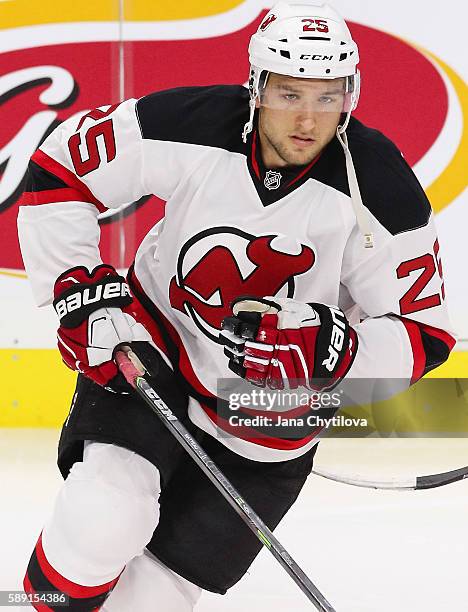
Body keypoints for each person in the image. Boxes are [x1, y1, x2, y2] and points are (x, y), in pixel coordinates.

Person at [18, 2, 455, 610]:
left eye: (327, 97)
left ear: (349, 96)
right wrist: (76, 286)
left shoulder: (380, 189)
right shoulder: (189, 123)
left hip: (268, 417)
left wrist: (337, 348)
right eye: (288, 93)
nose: (307, 118)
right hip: (153, 352)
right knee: (103, 518)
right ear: (256, 86)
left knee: (150, 604)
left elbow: (425, 333)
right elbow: (61, 167)